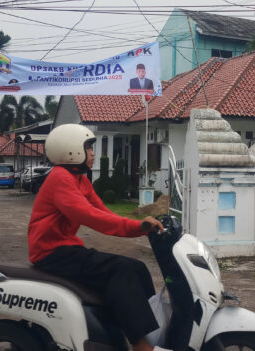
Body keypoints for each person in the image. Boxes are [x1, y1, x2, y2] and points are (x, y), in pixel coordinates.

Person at [28, 124, 167, 351]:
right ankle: (141, 345)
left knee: (138, 268)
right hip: (50, 252)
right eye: (88, 148)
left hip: (66, 249)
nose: (93, 154)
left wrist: (141, 227)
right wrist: (138, 226)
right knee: (120, 270)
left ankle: (152, 333)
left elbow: (103, 212)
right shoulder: (60, 178)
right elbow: (92, 217)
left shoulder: (80, 179)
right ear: (71, 151)